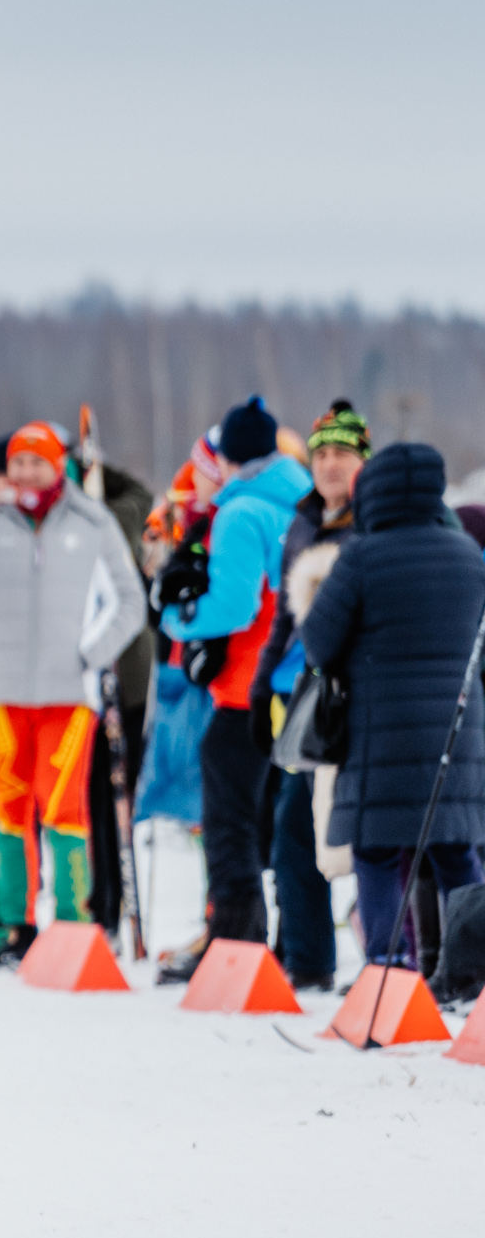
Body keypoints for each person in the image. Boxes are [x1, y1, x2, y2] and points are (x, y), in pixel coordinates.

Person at [0, 422, 146, 967]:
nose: (25, 473)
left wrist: (88, 655)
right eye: (17, 463)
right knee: (6, 810)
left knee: (64, 808)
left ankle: (72, 925)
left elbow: (129, 601)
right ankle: (14, 927)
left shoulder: (92, 522)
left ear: (57, 467)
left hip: (69, 699)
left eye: (36, 463)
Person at [301, 441, 485, 981]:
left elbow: (318, 644)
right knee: (457, 853)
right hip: (459, 732)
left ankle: (388, 969)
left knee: (377, 852)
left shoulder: (362, 555)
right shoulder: (466, 554)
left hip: (381, 736)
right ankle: (470, 975)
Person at [153, 397, 313, 982]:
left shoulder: (242, 512)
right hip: (296, 684)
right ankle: (296, 945)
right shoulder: (301, 500)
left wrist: (173, 618)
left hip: (245, 687)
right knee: (284, 822)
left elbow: (235, 605)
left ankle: (235, 940)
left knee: (229, 821)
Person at [244, 401, 369, 990]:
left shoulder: (375, 520)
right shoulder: (300, 523)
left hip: (365, 692)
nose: (329, 465)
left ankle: (385, 955)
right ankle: (307, 958)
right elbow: (283, 620)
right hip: (305, 694)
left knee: (361, 826)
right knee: (292, 822)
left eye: (342, 454)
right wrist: (261, 679)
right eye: (320, 455)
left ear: (362, 462)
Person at [74, 439, 158, 939]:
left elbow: (140, 494)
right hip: (84, 677)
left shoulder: (111, 516)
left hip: (122, 673)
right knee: (91, 796)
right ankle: (99, 897)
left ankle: (109, 901)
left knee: (108, 794)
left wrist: (97, 468)